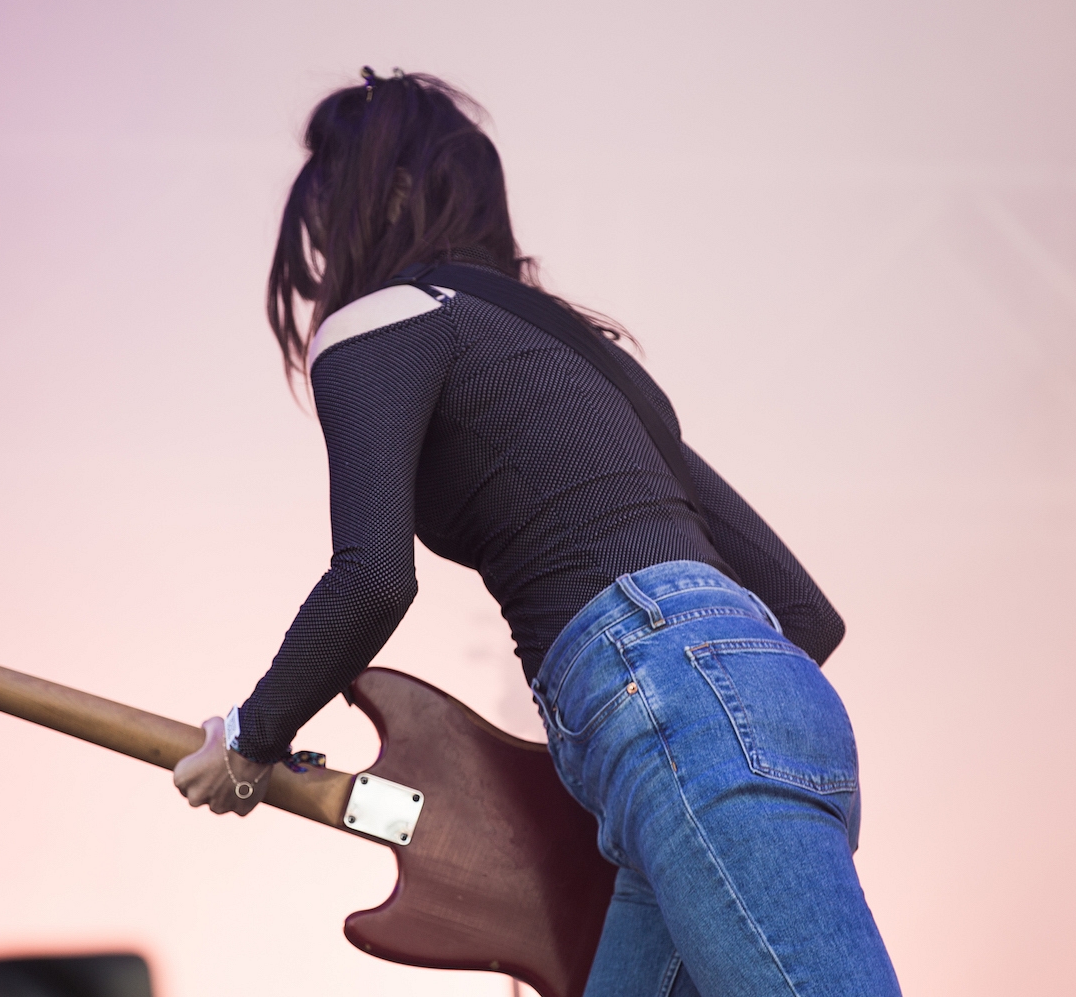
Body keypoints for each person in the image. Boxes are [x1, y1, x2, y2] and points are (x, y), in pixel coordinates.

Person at [173, 68, 901, 997]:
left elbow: (371, 579)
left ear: (385, 196)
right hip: (760, 710)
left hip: (671, 711)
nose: (321, 260)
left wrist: (249, 737)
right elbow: (803, 614)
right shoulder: (580, 353)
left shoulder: (381, 324)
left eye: (326, 223)